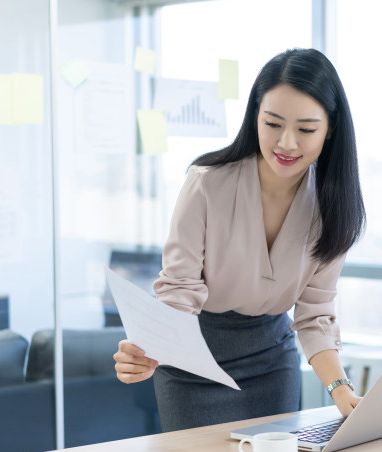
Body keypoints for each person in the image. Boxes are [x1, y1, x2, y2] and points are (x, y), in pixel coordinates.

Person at [112, 48, 366, 432]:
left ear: (331, 129)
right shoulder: (207, 183)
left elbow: (315, 315)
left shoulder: (334, 208)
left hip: (271, 361)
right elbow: (179, 290)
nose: (287, 143)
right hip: (193, 358)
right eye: (273, 123)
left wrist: (341, 389)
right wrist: (149, 351)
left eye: (306, 129)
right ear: (255, 118)